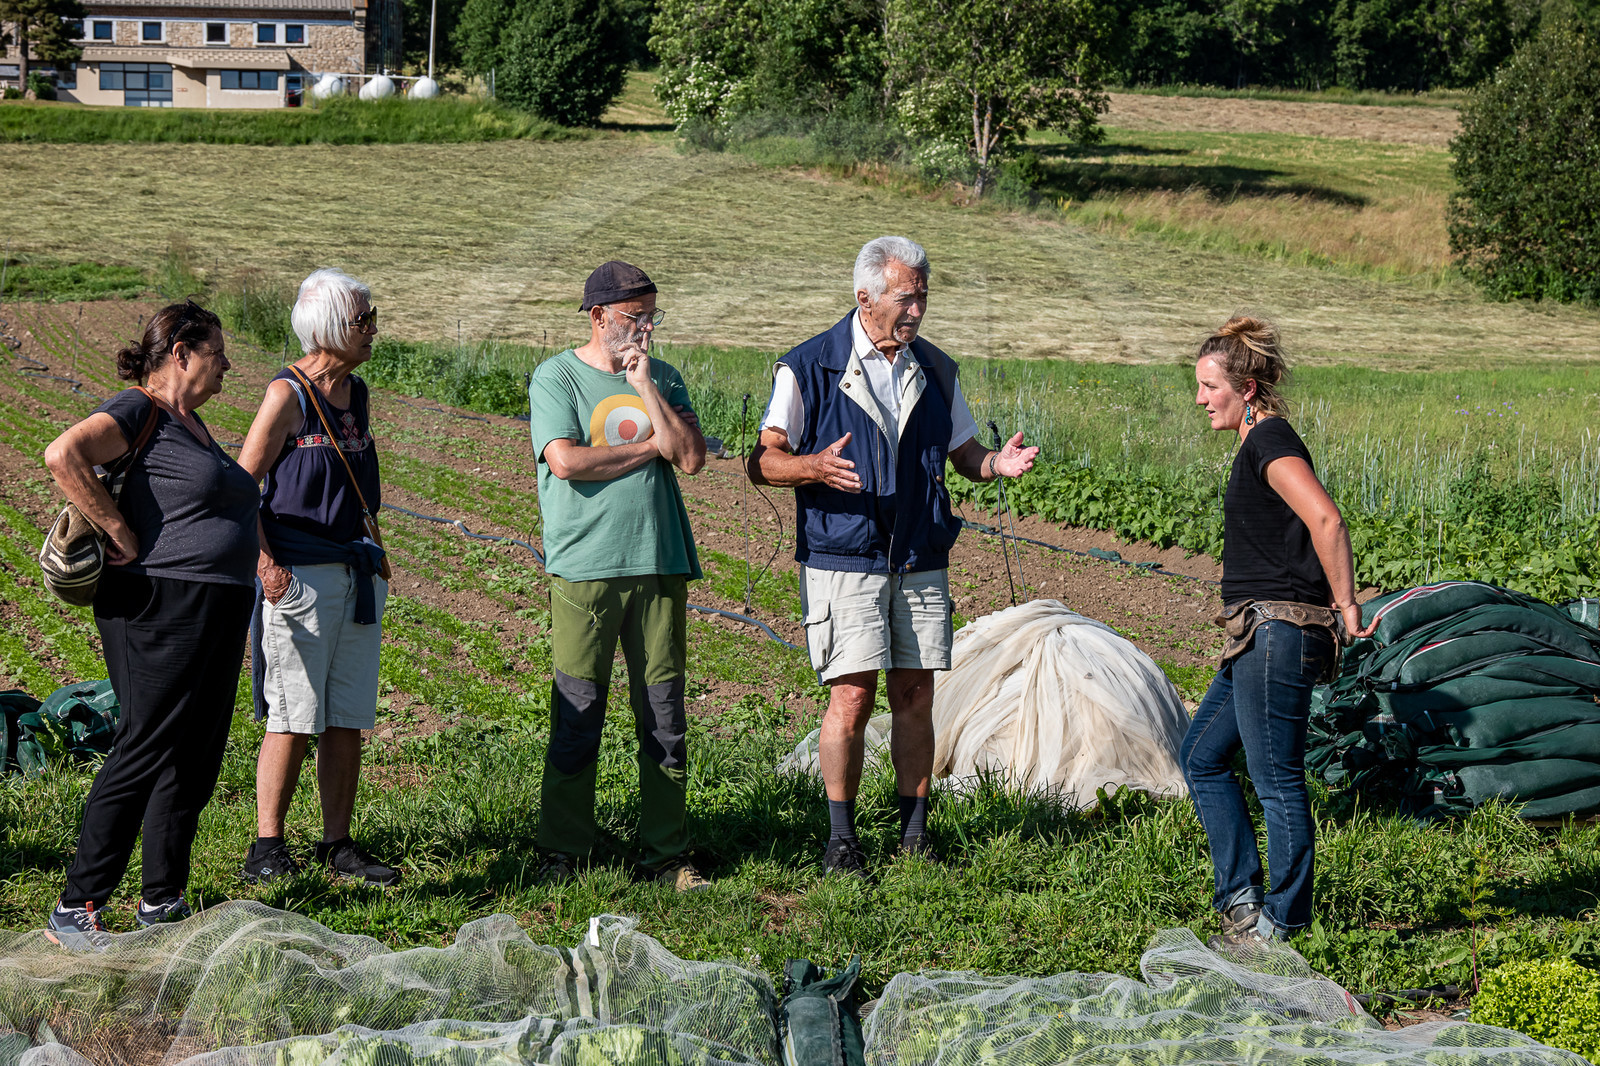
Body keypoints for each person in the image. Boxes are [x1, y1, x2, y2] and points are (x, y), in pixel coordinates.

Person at [747, 236, 1038, 878]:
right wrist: (813, 467)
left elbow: (966, 455)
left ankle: (913, 833)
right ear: (866, 297)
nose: (916, 311)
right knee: (851, 696)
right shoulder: (810, 366)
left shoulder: (936, 368)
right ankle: (841, 839)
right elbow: (763, 460)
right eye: (906, 298)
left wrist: (997, 465)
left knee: (915, 694)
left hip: (918, 556)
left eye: (923, 298)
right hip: (844, 556)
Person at [41, 301, 259, 949]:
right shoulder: (140, 410)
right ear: (181, 353)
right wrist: (117, 530)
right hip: (157, 602)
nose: (226, 364)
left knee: (193, 755)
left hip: (217, 603)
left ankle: (162, 898)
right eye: (217, 351)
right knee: (144, 745)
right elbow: (64, 453)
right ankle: (77, 907)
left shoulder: (191, 424)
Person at [1180, 315, 1376, 948]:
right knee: (1201, 757)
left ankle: (1282, 924)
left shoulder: (1272, 442)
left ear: (1249, 388)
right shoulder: (1256, 441)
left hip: (1278, 632)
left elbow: (1328, 520)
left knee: (1276, 780)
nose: (1202, 397)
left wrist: (1347, 610)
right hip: (1255, 635)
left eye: (1211, 386)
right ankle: (1239, 898)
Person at [528, 260, 710, 891]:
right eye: (635, 316)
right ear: (598, 315)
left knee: (663, 717)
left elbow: (689, 458)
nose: (645, 328)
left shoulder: (662, 377)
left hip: (658, 562)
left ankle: (665, 855)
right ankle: (562, 850)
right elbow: (569, 461)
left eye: (652, 316)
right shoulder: (556, 377)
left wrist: (646, 391)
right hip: (586, 567)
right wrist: (647, 446)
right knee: (578, 710)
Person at [238, 268, 397, 887]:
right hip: (298, 578)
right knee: (292, 712)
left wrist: (376, 547)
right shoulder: (287, 396)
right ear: (330, 327)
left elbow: (359, 487)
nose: (373, 328)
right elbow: (240, 485)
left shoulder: (354, 394)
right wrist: (266, 565)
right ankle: (267, 846)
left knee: (345, 714)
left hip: (354, 571)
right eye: (364, 319)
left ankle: (339, 845)